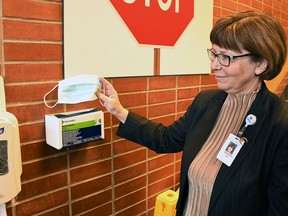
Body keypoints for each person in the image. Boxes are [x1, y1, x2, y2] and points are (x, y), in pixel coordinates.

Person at [96, 10, 288, 216]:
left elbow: (279, 208)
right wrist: (119, 110)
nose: (214, 65)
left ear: (260, 64)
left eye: (225, 57)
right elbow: (166, 139)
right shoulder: (206, 102)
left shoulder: (280, 122)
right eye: (214, 54)